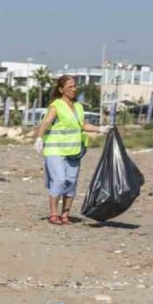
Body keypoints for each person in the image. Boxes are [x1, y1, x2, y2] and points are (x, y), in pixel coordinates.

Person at [33, 75, 109, 225]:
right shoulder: (57, 105)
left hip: (74, 150)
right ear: (62, 89)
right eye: (70, 87)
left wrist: (101, 129)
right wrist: (39, 138)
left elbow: (82, 125)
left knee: (71, 182)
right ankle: (53, 214)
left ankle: (65, 214)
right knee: (59, 180)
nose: (74, 89)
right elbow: (47, 121)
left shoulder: (78, 107)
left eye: (75, 86)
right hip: (55, 150)